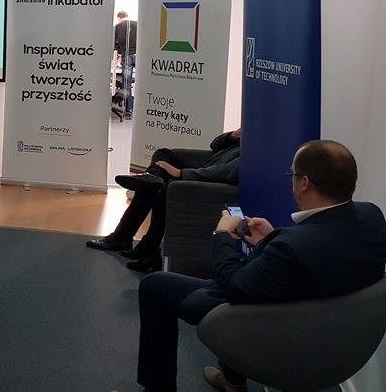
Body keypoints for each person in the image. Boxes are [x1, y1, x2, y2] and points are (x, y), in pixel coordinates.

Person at [136, 140, 386, 392]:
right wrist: (269, 239)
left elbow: (233, 288)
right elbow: (315, 259)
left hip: (275, 327)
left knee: (154, 286)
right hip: (337, 335)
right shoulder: (372, 216)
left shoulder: (291, 246)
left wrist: (222, 235)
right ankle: (232, 379)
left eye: (292, 175)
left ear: (304, 183)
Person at [87, 129, 241, 273]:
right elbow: (215, 145)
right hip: (207, 165)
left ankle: (131, 240)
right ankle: (153, 177)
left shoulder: (254, 147)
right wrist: (235, 134)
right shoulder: (249, 131)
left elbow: (227, 172)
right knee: (162, 155)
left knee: (162, 187)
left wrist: (180, 173)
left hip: (211, 178)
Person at [114, 11, 138, 117]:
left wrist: (119, 56)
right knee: (142, 83)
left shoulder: (117, 27)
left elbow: (115, 45)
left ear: (119, 18)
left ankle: (129, 111)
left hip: (127, 57)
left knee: (127, 84)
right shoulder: (137, 24)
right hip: (139, 56)